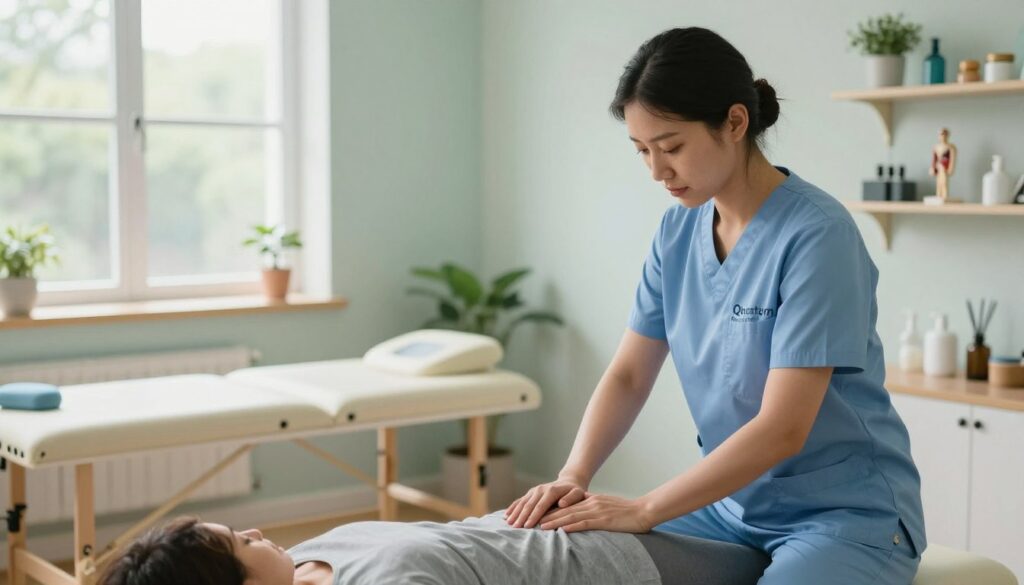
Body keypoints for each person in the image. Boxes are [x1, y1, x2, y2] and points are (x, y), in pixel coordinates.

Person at [503, 27, 926, 585]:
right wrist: (573, 475)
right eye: (642, 151)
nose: (657, 171)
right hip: (733, 508)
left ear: (734, 122)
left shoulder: (818, 235)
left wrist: (646, 508)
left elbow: (782, 428)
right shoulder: (678, 230)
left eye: (671, 146)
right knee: (565, 554)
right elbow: (630, 374)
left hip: (842, 516)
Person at [97, 511, 771, 585]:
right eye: (240, 542)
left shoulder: (309, 554)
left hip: (579, 529)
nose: (254, 530)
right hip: (622, 568)